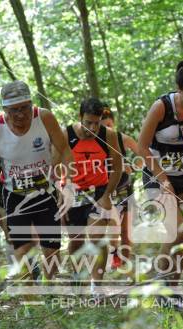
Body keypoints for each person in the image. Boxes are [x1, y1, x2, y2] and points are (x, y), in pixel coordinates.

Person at [0, 80, 71, 280]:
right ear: (4, 108)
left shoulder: (45, 118)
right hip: (14, 195)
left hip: (45, 192)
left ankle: (48, 291)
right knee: (22, 250)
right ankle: (30, 301)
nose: (21, 114)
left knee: (51, 251)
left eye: (25, 107)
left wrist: (69, 185)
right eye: (14, 110)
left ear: (31, 103)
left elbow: (65, 150)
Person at [137, 60, 183, 284]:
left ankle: (172, 286)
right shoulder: (162, 107)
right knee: (175, 231)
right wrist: (163, 179)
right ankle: (161, 283)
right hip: (157, 175)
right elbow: (141, 146)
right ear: (179, 89)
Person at [60, 97, 122, 284]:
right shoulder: (66, 134)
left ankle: (97, 285)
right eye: (88, 123)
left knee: (97, 237)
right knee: (76, 239)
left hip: (98, 191)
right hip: (73, 192)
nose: (92, 128)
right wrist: (60, 195)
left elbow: (117, 168)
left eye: (96, 123)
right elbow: (54, 168)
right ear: (80, 117)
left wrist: (106, 195)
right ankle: (78, 275)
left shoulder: (108, 135)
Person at [100, 105, 140, 269]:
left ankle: (126, 262)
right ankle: (115, 255)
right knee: (113, 229)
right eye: (103, 126)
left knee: (126, 230)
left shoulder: (124, 139)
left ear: (114, 124)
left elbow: (142, 153)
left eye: (109, 125)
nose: (106, 129)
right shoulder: (93, 142)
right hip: (107, 190)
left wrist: (133, 166)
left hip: (126, 187)